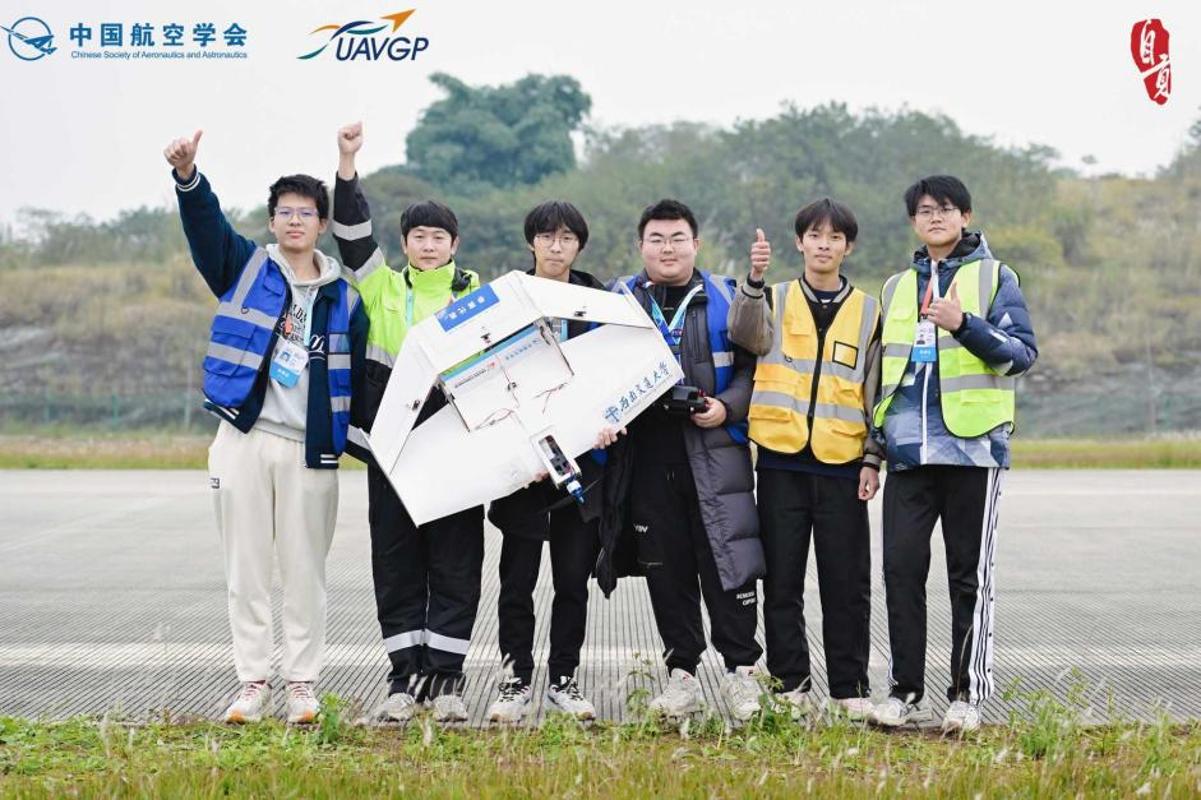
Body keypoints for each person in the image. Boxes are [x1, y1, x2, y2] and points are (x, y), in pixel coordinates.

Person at [164, 129, 368, 725]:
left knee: (306, 571)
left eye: (306, 213)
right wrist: (188, 177)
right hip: (244, 439)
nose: (295, 221)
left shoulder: (345, 298)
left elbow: (358, 380)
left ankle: (302, 683)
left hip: (311, 449)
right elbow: (206, 229)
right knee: (246, 569)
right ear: (272, 221)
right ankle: (252, 682)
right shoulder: (245, 268)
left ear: (322, 224)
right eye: (285, 212)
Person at [870, 175, 1037, 733]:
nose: (935, 217)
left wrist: (964, 324)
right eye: (924, 210)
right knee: (900, 572)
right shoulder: (896, 287)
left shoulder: (995, 276)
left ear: (966, 215)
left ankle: (966, 694)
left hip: (972, 451)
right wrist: (874, 451)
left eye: (945, 208)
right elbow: (883, 376)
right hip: (908, 455)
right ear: (912, 222)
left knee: (969, 578)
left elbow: (1019, 356)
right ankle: (904, 690)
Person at [332, 122, 484, 723]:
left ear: (454, 244)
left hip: (455, 454)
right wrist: (347, 163)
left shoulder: (479, 297)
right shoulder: (381, 288)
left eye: (437, 236)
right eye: (418, 236)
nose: (427, 245)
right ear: (404, 243)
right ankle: (403, 680)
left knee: (455, 564)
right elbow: (351, 235)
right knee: (396, 565)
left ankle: (446, 682)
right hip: (391, 451)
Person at [596, 199, 765, 721]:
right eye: (656, 239)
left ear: (696, 244)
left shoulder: (726, 295)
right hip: (646, 456)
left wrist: (727, 407)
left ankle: (742, 673)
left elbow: (753, 368)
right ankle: (682, 675)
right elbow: (593, 371)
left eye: (677, 239)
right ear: (640, 245)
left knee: (727, 561)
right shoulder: (618, 299)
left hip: (714, 452)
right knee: (664, 568)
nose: (667, 249)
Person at [727, 199, 881, 720]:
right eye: (814, 235)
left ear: (848, 247)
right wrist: (753, 280)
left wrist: (873, 457)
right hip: (781, 462)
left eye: (834, 237)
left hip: (842, 464)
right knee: (782, 582)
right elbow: (744, 335)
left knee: (847, 583)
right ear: (799, 243)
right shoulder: (773, 296)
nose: (823, 245)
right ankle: (789, 682)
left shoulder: (869, 311)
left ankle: (849, 688)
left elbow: (876, 391)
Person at [485, 201, 618, 723]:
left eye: (566, 238)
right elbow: (489, 380)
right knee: (516, 581)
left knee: (571, 580)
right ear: (531, 243)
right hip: (523, 467)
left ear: (579, 245)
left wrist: (610, 421)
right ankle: (515, 679)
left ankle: (564, 678)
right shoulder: (507, 301)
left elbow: (615, 377)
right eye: (546, 237)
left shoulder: (600, 303)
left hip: (583, 465)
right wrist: (518, 448)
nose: (556, 246)